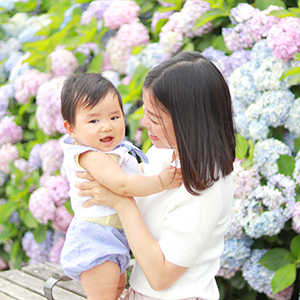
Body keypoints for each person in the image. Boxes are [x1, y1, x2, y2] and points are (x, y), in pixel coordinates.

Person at [75, 51, 236, 300]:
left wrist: (120, 200)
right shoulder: (165, 153)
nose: (144, 124)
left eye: (155, 118)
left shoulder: (206, 185)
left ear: (188, 121)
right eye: (145, 112)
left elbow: (161, 277)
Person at [59, 73, 182, 300]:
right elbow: (123, 185)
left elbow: (132, 175)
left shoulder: (113, 150)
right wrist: (161, 182)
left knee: (117, 290)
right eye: (94, 121)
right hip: (95, 237)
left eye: (114, 117)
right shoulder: (88, 155)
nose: (106, 127)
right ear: (72, 129)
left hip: (113, 235)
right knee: (104, 295)